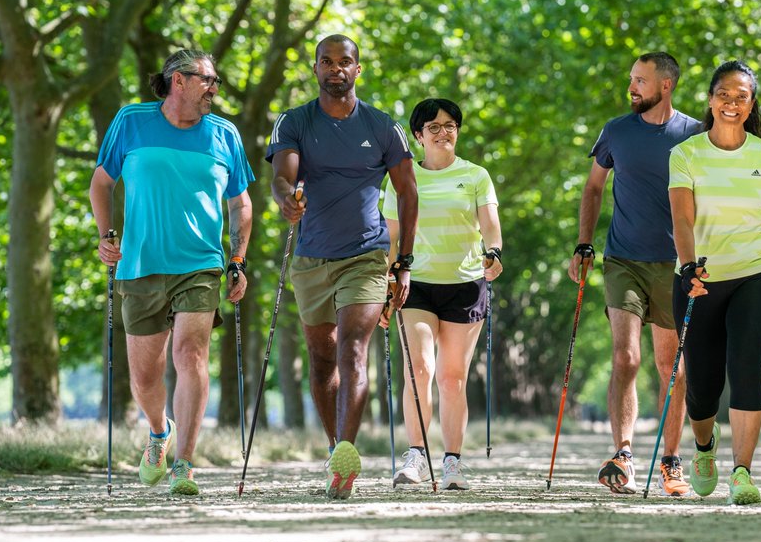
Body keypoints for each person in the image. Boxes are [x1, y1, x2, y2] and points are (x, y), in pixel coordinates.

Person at [89, 48, 254, 497]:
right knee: (144, 377)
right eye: (208, 80)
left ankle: (184, 462)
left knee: (190, 355)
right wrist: (106, 236)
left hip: (201, 265)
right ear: (178, 80)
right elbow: (102, 182)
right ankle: (159, 433)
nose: (215, 90)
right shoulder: (131, 121)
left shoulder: (225, 134)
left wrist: (237, 259)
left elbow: (240, 204)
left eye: (216, 81)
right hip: (139, 264)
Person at [267, 34, 418, 500]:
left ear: (358, 70)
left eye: (345, 62)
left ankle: (348, 450)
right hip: (311, 255)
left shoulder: (382, 125)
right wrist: (286, 200)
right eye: (327, 62)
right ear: (315, 69)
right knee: (322, 357)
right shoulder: (294, 121)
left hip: (367, 255)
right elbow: (281, 176)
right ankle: (336, 452)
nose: (336, 69)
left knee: (354, 348)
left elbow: (408, 192)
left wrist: (403, 262)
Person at [669, 59, 761, 506]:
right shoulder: (686, 154)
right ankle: (704, 448)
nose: (731, 103)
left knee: (746, 369)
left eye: (741, 96)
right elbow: (683, 218)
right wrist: (688, 266)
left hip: (755, 275)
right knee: (703, 384)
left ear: (751, 104)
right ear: (710, 100)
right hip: (700, 281)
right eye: (723, 94)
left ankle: (742, 472)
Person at [570, 52, 702, 497]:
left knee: (672, 368)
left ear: (665, 86)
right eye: (631, 79)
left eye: (640, 81)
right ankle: (622, 455)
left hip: (675, 264)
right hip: (622, 259)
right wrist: (585, 243)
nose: (632, 87)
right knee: (626, 358)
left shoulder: (695, 135)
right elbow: (593, 187)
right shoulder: (616, 131)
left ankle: (670, 460)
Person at [381, 98, 503, 491]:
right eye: (433, 126)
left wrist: (494, 253)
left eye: (450, 125)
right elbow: (391, 238)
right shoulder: (401, 178)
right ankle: (416, 455)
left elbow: (490, 225)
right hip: (413, 284)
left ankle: (452, 462)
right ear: (418, 136)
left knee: (452, 379)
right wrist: (386, 283)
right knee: (419, 368)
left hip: (466, 285)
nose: (443, 132)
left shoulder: (476, 175)